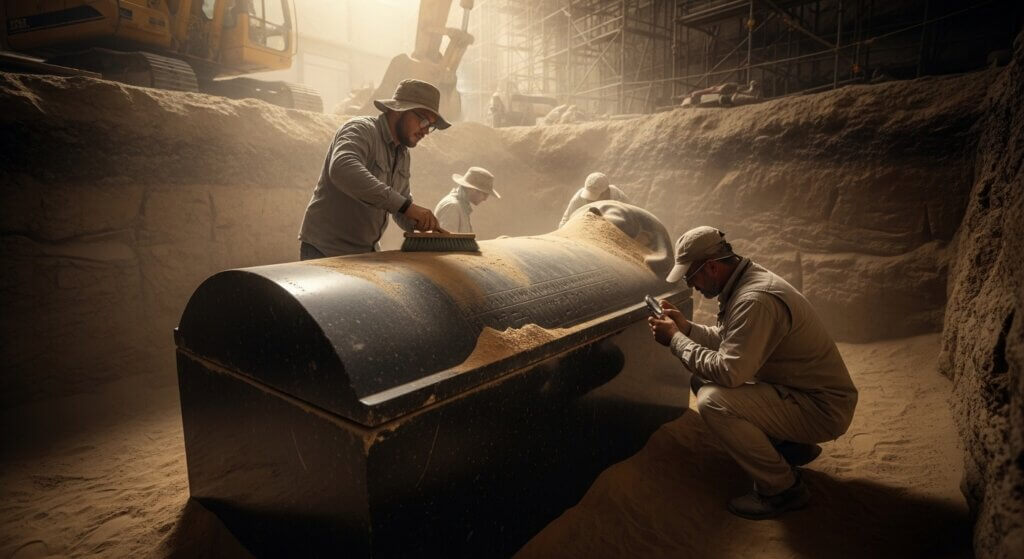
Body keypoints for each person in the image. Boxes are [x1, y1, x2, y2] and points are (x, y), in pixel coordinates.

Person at [647, 226, 858, 520]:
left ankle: (783, 489)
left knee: (713, 401)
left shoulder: (754, 300)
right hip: (803, 395)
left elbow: (730, 372)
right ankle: (790, 449)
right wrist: (688, 329)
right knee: (701, 379)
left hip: (821, 409)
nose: (691, 285)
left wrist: (676, 340)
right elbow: (732, 341)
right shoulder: (745, 281)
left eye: (690, 277)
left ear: (711, 267)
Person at [297, 79, 449, 259]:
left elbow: (399, 204)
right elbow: (342, 168)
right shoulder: (361, 130)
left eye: (430, 126)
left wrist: (419, 223)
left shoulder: (402, 153)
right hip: (325, 251)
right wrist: (406, 206)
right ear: (397, 110)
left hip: (365, 252)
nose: (425, 131)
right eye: (423, 121)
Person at [434, 166, 499, 234]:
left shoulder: (461, 206)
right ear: (472, 189)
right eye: (485, 194)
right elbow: (447, 242)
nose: (485, 199)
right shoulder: (452, 206)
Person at [557, 172, 630, 228]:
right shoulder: (579, 198)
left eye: (594, 195)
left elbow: (632, 215)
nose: (589, 200)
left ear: (605, 192)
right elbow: (565, 220)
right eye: (589, 193)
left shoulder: (617, 196)